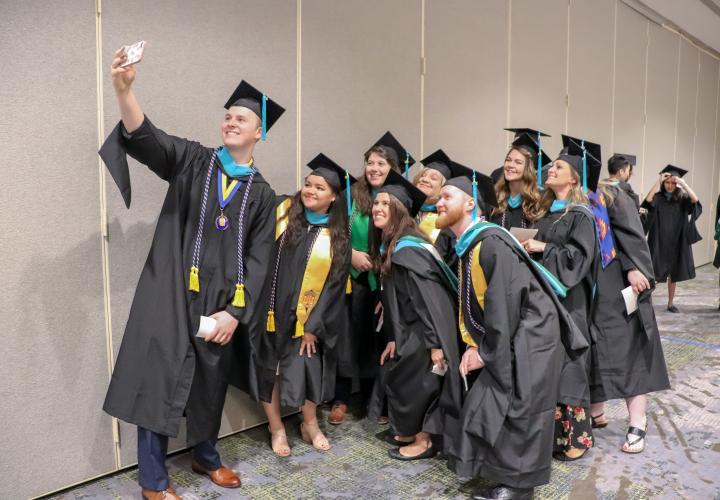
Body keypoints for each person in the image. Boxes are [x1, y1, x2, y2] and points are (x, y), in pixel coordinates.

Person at [98, 49, 284, 499]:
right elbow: (147, 138)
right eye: (227, 116)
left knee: (210, 383)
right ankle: (153, 483)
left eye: (241, 118)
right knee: (158, 381)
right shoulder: (194, 161)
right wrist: (125, 90)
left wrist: (235, 314)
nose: (231, 122)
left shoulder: (262, 194)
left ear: (259, 132)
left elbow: (261, 260)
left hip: (220, 304)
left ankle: (206, 456)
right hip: (170, 296)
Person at [436, 169, 587, 500]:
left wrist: (484, 351)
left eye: (447, 196)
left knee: (523, 406)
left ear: (470, 203)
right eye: (439, 197)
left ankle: (520, 488)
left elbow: (504, 305)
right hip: (517, 330)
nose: (438, 203)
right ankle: (503, 474)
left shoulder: (490, 243)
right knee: (500, 400)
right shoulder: (471, 244)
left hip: (532, 334)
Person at [256, 154, 353, 456]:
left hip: (306, 319)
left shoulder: (338, 236)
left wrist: (313, 326)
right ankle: (277, 429)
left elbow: (334, 288)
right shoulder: (284, 217)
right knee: (268, 371)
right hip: (270, 313)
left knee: (308, 369)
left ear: (334, 197)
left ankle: (310, 423)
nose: (310, 190)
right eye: (308, 184)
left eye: (320, 187)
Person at [369, 169, 459, 460]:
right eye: (376, 203)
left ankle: (426, 441)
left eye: (386, 204)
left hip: (424, 332)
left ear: (400, 210)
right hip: (410, 329)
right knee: (404, 377)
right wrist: (394, 336)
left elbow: (428, 301)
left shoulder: (409, 250)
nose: (378, 208)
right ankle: (411, 430)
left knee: (424, 384)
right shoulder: (396, 243)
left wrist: (436, 344)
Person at [523, 142, 601, 462]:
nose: (549, 170)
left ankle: (578, 437)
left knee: (570, 366)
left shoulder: (580, 215)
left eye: (557, 168)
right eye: (549, 166)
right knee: (550, 366)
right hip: (545, 301)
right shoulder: (546, 214)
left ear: (573, 180)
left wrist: (542, 249)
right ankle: (554, 435)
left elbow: (578, 261)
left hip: (570, 303)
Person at [590, 158, 671, 454]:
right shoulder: (561, 203)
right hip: (588, 289)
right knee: (594, 351)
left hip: (616, 284)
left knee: (629, 350)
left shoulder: (608, 195)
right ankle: (596, 411)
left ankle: (638, 420)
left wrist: (633, 267)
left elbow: (631, 237)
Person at [329, 132, 408, 425]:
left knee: (379, 340)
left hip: (383, 279)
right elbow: (335, 232)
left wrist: (377, 262)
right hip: (352, 277)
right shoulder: (352, 195)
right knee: (346, 338)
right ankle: (341, 398)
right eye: (370, 163)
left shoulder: (399, 200)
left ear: (393, 168)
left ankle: (377, 400)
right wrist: (351, 255)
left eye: (381, 163)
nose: (374, 168)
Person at [642, 165, 702, 312]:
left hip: (676, 240)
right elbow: (646, 202)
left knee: (673, 274)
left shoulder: (682, 198)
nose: (670, 186)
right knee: (652, 271)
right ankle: (645, 303)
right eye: (667, 183)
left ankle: (670, 303)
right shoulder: (658, 198)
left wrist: (684, 184)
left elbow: (695, 200)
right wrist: (657, 181)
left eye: (673, 183)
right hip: (659, 240)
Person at [490, 129, 548, 230]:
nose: (511, 165)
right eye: (508, 160)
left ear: (529, 169)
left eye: (518, 162)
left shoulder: (539, 202)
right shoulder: (495, 197)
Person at [414, 149, 459, 268]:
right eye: (422, 176)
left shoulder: (447, 221)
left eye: (433, 178)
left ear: (443, 188)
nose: (424, 179)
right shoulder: (407, 211)